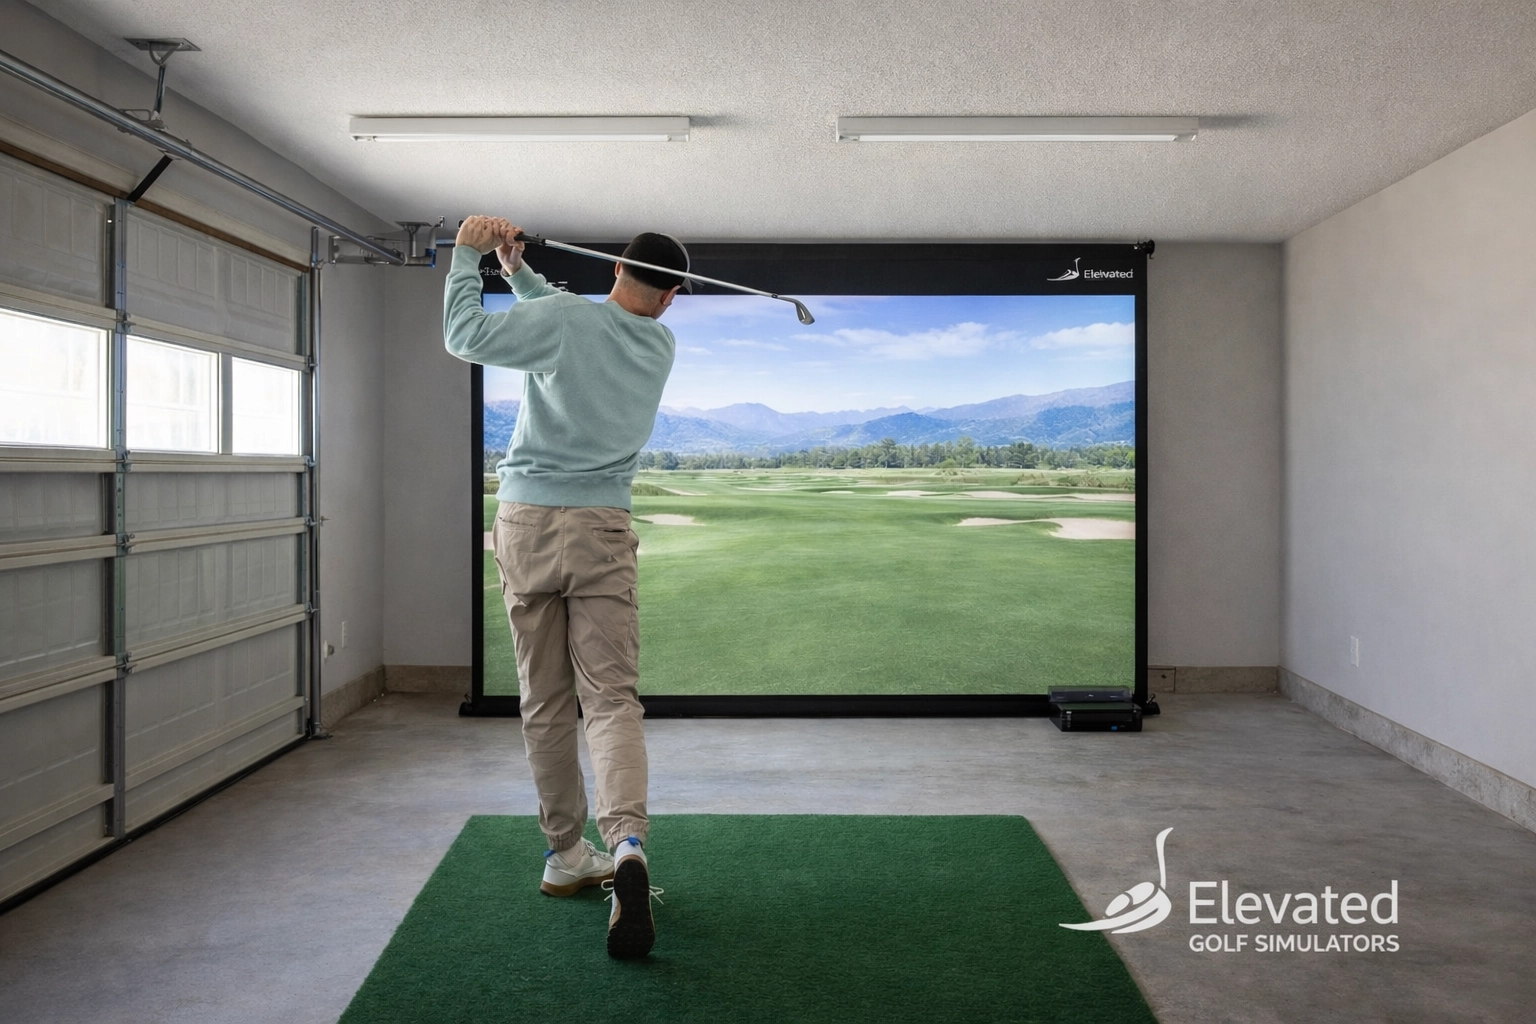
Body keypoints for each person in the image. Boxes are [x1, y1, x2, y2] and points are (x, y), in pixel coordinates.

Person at [443, 215, 687, 959]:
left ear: (615, 267)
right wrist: (518, 276)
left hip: (526, 523)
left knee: (545, 700)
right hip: (603, 528)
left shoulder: (562, 319)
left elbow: (466, 337)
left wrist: (468, 256)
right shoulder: (659, 343)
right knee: (610, 698)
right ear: (671, 299)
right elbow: (569, 321)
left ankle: (566, 856)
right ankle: (629, 845)